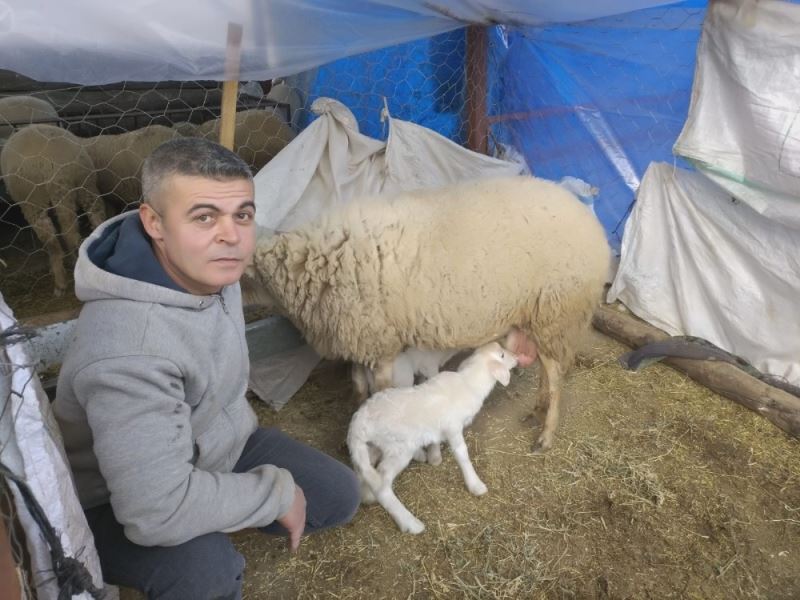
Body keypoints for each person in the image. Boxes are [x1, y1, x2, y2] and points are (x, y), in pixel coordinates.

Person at [53, 137, 360, 600]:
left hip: (217, 443)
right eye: (203, 217)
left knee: (337, 494)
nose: (231, 236)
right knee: (206, 571)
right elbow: (152, 510)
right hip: (113, 503)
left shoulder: (208, 268)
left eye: (243, 214)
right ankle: (199, 539)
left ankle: (214, 510)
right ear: (153, 222)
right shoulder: (131, 351)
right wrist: (273, 495)